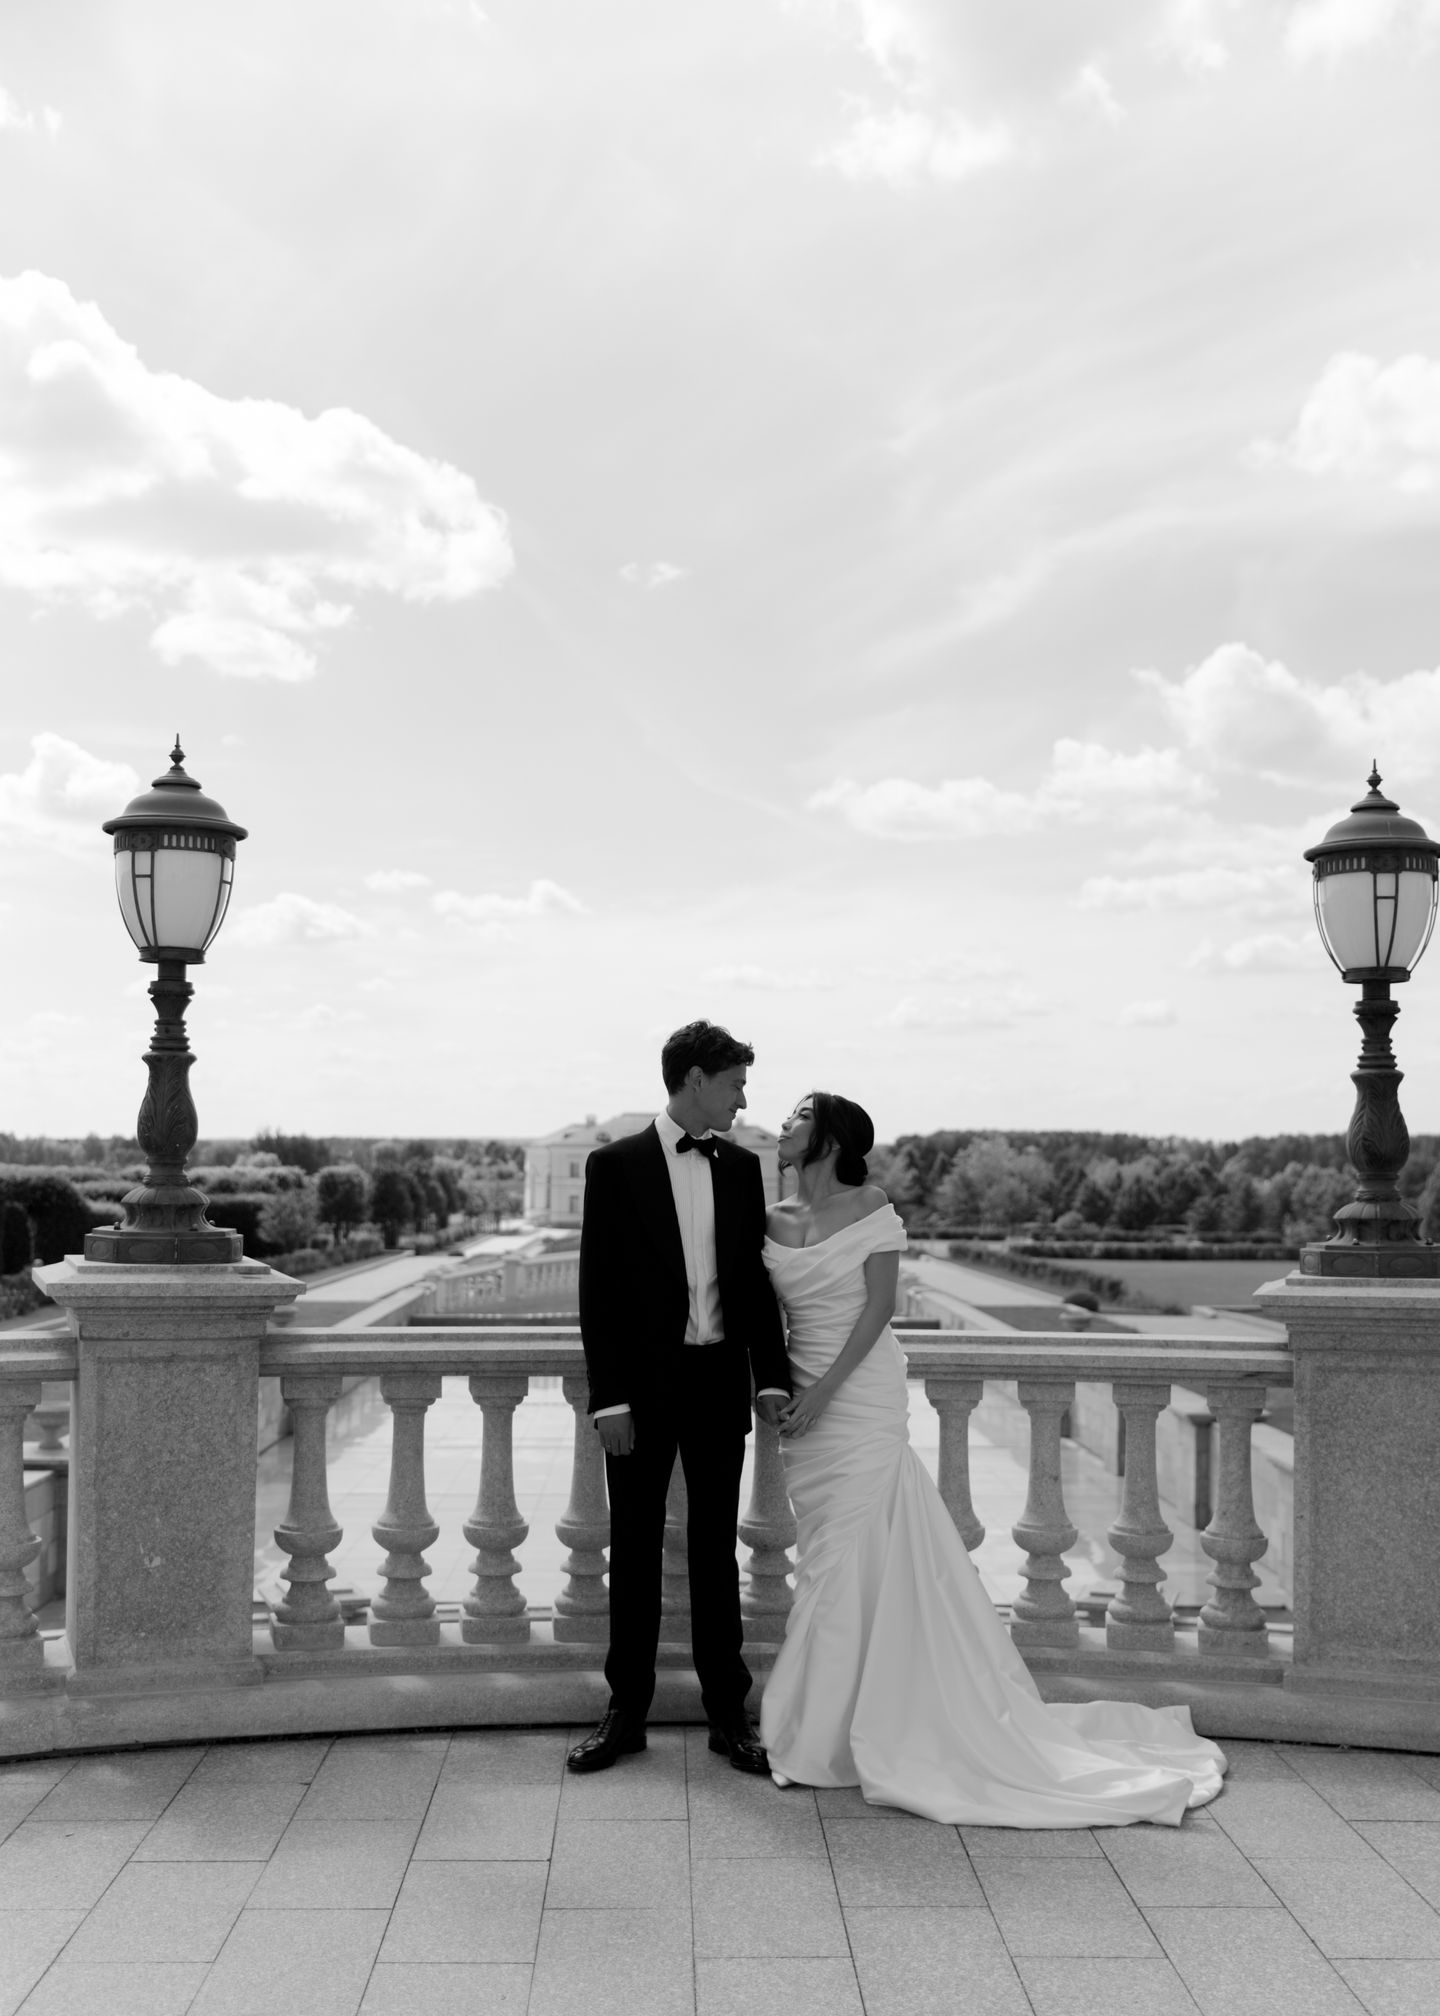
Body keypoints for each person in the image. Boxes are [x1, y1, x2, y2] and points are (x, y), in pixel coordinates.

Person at [758, 1091, 1227, 1826]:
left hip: (858, 1393)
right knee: (826, 1553)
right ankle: (837, 1717)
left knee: (846, 1554)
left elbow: (879, 1310)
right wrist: (783, 1388)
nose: (785, 1125)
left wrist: (822, 1393)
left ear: (831, 1138)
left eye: (798, 1116)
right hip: (802, 1397)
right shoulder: (771, 1219)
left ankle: (826, 1731)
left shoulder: (870, 1205)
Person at [567, 1021, 793, 1775]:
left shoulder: (742, 1167)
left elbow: (753, 1285)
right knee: (633, 1551)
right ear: (696, 1079)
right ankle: (625, 1713)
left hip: (717, 1386)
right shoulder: (615, 1166)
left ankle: (728, 1713)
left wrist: (771, 1376)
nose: (743, 1100)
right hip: (640, 1394)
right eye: (735, 1084)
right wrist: (609, 1401)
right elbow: (598, 1289)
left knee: (714, 1552)